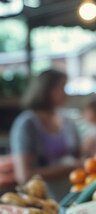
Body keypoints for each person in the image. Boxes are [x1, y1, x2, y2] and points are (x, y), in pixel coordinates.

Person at [10, 69, 80, 200]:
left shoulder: (68, 121)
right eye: (62, 87)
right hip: (42, 202)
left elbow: (78, 155)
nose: (66, 93)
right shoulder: (26, 124)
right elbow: (24, 176)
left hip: (71, 196)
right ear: (47, 90)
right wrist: (68, 168)